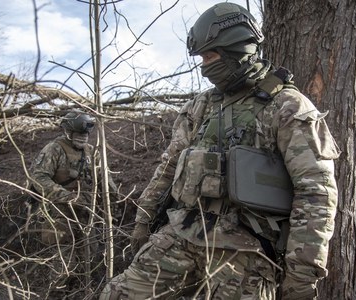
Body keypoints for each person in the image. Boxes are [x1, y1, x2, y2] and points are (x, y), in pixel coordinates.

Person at [100, 2, 340, 299]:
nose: (203, 66)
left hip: (247, 249)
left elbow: (316, 193)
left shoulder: (288, 107)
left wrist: (301, 276)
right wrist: (143, 221)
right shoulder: (200, 107)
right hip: (182, 233)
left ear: (235, 50)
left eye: (210, 56)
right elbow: (167, 169)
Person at [30, 110, 117, 293]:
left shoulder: (92, 152)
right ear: (68, 132)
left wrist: (114, 196)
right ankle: (59, 294)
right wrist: (67, 197)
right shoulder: (54, 149)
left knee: (90, 258)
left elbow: (103, 175)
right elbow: (38, 177)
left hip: (86, 213)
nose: (83, 138)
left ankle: (83, 293)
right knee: (62, 264)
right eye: (79, 134)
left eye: (85, 135)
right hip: (59, 213)